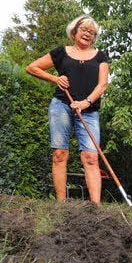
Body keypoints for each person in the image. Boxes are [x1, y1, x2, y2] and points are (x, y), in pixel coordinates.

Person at [26, 15, 109, 204]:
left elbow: (102, 85)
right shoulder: (61, 52)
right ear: (74, 31)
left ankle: (95, 207)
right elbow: (32, 67)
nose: (88, 34)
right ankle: (61, 206)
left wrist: (85, 103)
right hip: (61, 106)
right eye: (84, 30)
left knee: (90, 156)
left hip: (88, 111)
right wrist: (55, 79)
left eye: (92, 32)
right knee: (59, 154)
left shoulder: (101, 57)